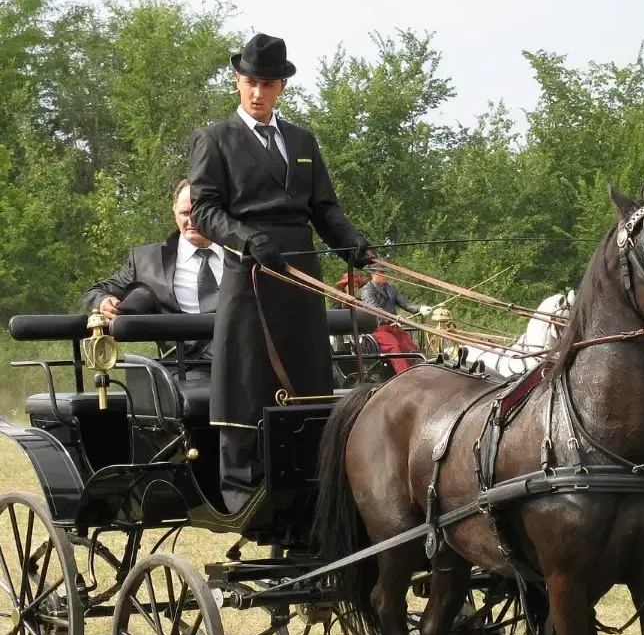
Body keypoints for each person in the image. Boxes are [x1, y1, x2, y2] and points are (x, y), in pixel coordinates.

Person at [188, 33, 372, 513]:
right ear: (237, 81)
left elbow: (325, 208)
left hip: (301, 274)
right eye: (250, 82)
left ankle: (307, 488)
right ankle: (241, 488)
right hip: (249, 275)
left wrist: (352, 244)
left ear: (281, 87)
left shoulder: (303, 141)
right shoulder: (214, 139)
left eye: (267, 84)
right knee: (247, 379)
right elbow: (205, 210)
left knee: (309, 378)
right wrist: (247, 238)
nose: (257, 93)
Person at [82, 180, 223, 359]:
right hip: (184, 368)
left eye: (199, 212)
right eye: (185, 213)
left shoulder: (243, 257)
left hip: (242, 362)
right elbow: (96, 292)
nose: (192, 220)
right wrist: (103, 301)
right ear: (175, 214)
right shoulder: (147, 260)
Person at [360, 263, 432, 373]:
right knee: (394, 346)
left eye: (385, 272)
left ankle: (423, 370)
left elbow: (405, 304)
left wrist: (419, 309)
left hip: (394, 326)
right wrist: (393, 318)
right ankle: (404, 375)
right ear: (373, 274)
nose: (385, 275)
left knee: (410, 346)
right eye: (381, 273)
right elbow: (374, 309)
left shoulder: (391, 288)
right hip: (377, 328)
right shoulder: (367, 290)